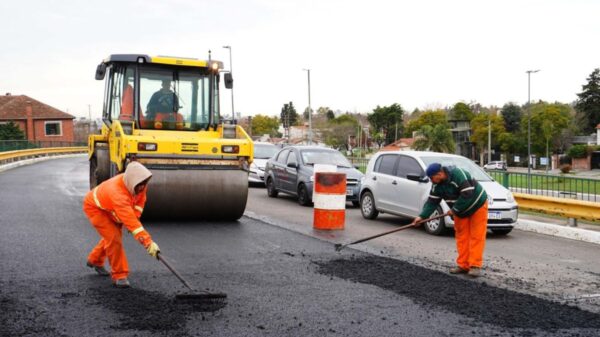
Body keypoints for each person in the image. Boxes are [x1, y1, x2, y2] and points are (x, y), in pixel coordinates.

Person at [83, 161, 160, 288]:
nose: (142, 188)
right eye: (140, 185)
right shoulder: (117, 193)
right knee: (114, 237)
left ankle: (95, 260)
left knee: (112, 235)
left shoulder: (139, 182)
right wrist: (148, 243)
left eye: (144, 184)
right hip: (95, 208)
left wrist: (135, 217)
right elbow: (129, 219)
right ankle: (120, 275)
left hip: (111, 207)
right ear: (131, 181)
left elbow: (139, 203)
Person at [410, 163, 488, 278]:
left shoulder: (458, 175)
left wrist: (455, 209)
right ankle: (463, 265)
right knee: (462, 236)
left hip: (477, 205)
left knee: (476, 236)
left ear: (440, 174)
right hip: (460, 210)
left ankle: (475, 266)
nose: (431, 181)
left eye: (432, 178)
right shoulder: (436, 185)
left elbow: (467, 194)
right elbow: (432, 202)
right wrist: (422, 217)